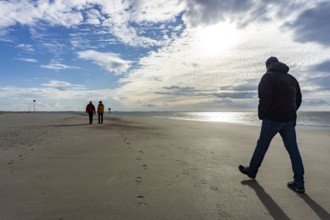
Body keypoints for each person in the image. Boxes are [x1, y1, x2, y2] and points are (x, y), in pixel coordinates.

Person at [239, 56, 305, 193]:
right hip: (289, 120)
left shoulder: (268, 77)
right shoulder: (292, 79)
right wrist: (290, 111)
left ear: (268, 65)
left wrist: (262, 115)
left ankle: (252, 170)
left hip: (273, 119)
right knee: (293, 150)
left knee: (262, 144)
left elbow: (264, 98)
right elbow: (298, 99)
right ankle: (299, 183)